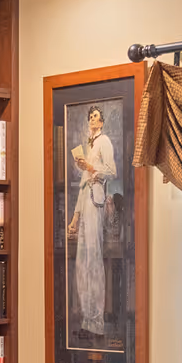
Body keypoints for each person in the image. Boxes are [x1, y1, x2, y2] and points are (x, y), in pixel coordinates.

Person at [65, 104, 117, 339]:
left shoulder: (104, 141)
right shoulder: (89, 145)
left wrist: (91, 167)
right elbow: (82, 185)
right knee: (82, 263)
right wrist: (74, 218)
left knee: (94, 260)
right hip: (85, 202)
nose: (93, 120)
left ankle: (97, 322)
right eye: (90, 117)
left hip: (96, 202)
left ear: (102, 122)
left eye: (96, 117)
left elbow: (111, 171)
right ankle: (87, 320)